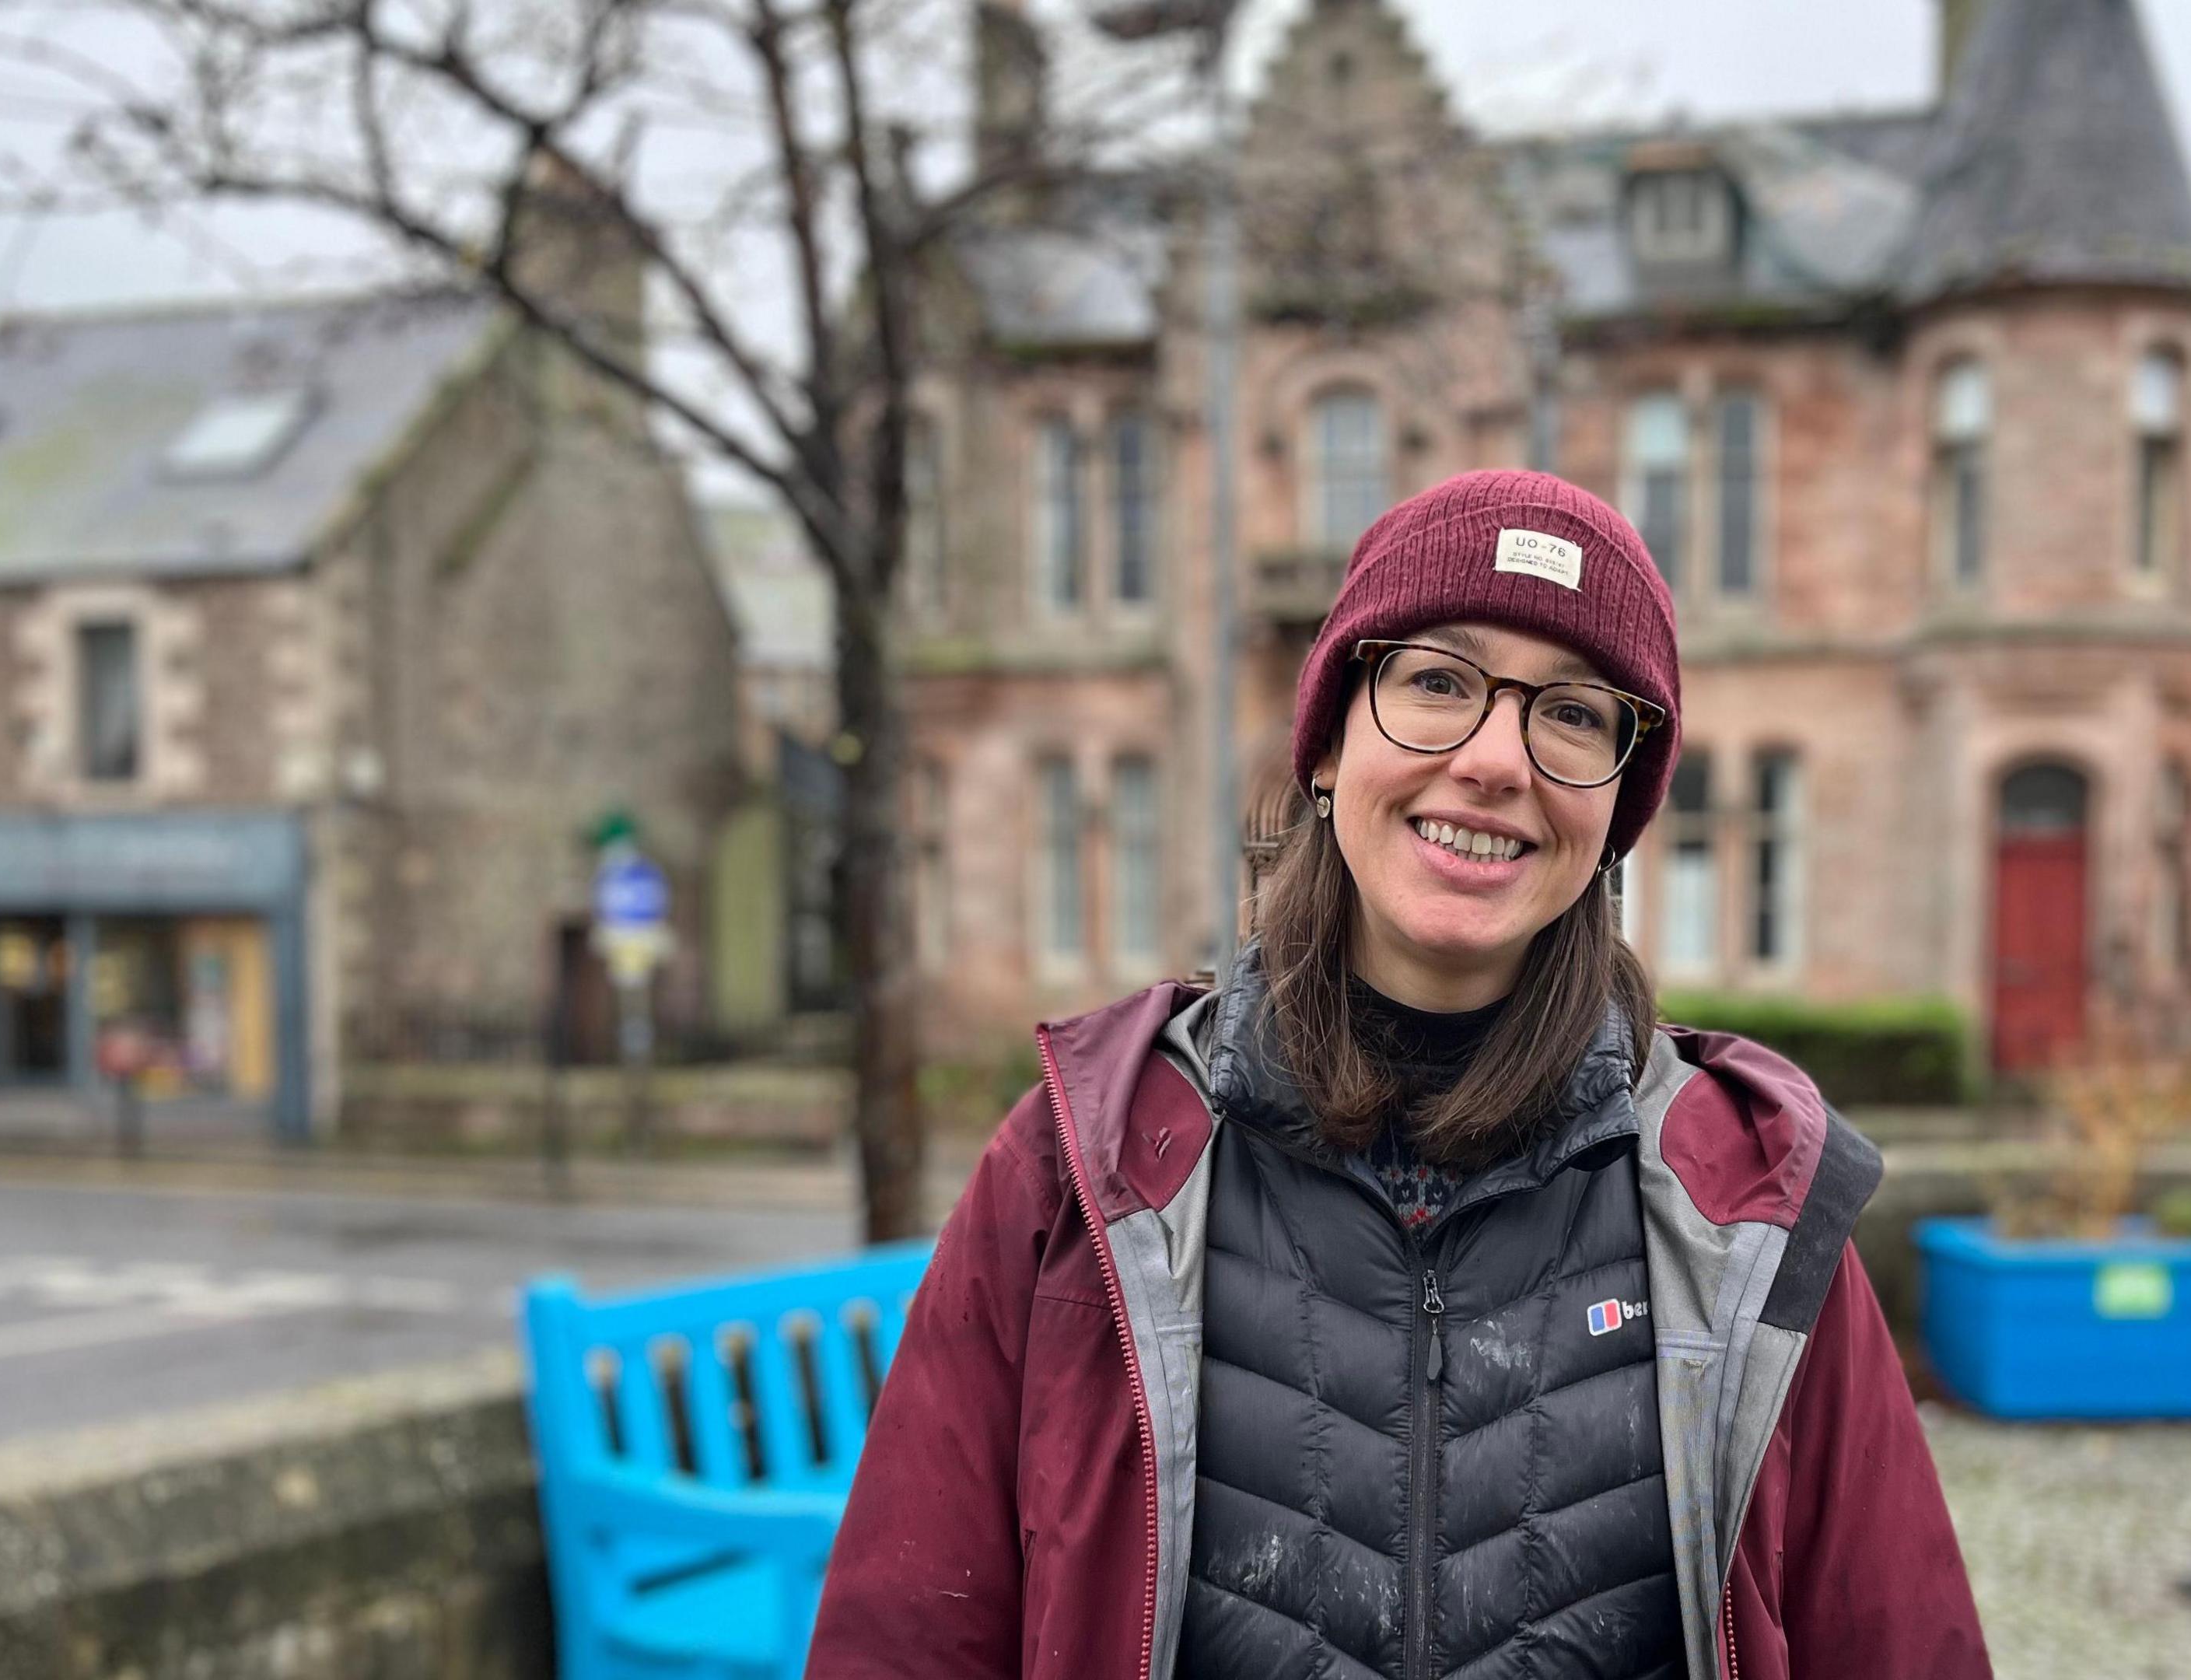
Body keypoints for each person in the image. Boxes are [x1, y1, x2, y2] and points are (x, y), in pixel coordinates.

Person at [808, 470, 1989, 1679]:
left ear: (1617, 814)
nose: (1494, 761)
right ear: (1328, 742)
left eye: (1574, 713)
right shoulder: (1083, 1166)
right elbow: (905, 1639)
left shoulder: (1750, 1207)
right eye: (1435, 681)